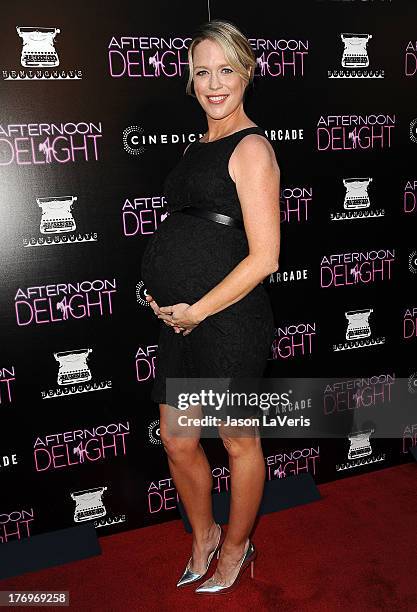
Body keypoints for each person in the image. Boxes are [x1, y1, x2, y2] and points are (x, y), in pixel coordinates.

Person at [141, 19, 280, 594]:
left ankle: (239, 545)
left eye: (226, 69)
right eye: (202, 72)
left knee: (238, 440)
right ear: (191, 81)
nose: (214, 83)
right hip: (186, 324)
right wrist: (166, 295)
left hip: (229, 321)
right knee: (177, 438)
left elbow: (265, 256)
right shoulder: (200, 145)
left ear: (247, 72)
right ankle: (203, 535)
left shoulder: (252, 147)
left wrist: (197, 309)